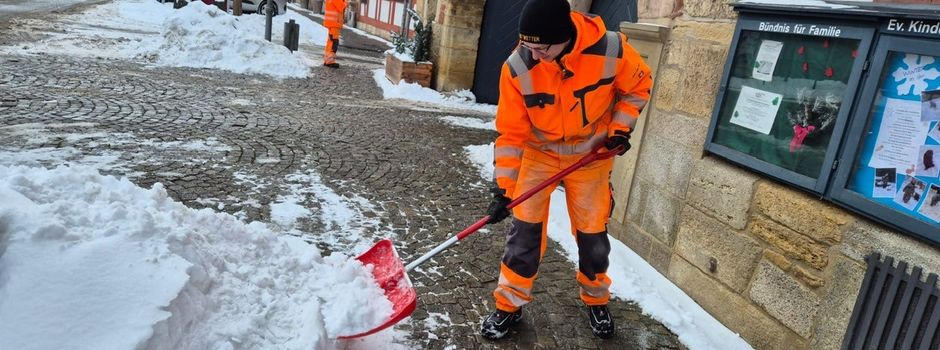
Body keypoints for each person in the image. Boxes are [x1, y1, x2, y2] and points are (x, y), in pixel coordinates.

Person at [480, 0, 653, 341]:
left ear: (565, 36)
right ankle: (509, 306)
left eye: (541, 47)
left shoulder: (611, 49)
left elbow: (637, 87)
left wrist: (620, 129)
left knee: (593, 237)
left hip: (590, 157)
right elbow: (511, 133)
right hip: (539, 157)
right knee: (524, 235)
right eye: (528, 45)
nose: (534, 54)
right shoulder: (517, 66)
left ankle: (596, 299)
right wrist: (504, 188)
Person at [322, 0, 347, 68]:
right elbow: (341, 7)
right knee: (334, 42)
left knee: (330, 42)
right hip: (334, 23)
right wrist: (345, 2)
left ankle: (327, 60)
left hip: (331, 23)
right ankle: (330, 61)